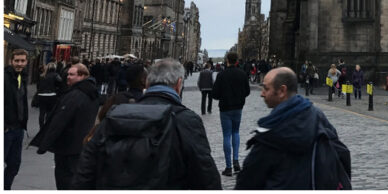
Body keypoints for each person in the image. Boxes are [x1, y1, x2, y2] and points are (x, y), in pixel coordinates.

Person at [72, 58, 221, 190]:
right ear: (179, 84)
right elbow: (206, 177)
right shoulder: (187, 120)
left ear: (148, 83)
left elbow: (85, 170)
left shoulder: (116, 114)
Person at [235, 67, 351, 190]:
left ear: (282, 91)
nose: (262, 93)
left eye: (266, 88)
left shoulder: (270, 136)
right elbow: (342, 154)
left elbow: (246, 183)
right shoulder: (318, 117)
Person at [30, 63, 99, 189]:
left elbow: (59, 121)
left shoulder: (75, 95)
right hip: (81, 143)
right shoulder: (92, 92)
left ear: (82, 76)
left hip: (67, 146)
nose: (67, 77)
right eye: (68, 74)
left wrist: (44, 145)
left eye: (72, 74)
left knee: (65, 179)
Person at [211, 51, 251, 176]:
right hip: (238, 107)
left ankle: (228, 167)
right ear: (237, 60)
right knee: (236, 132)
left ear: (227, 60)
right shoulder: (242, 74)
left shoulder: (222, 75)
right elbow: (247, 91)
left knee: (227, 135)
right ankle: (236, 162)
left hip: (225, 108)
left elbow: (215, 94)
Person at [4, 48, 29, 189]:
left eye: (22, 61)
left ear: (26, 62)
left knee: (14, 165)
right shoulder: (5, 77)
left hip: (18, 129)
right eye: (17, 61)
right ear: (11, 61)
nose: (19, 64)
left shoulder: (22, 77)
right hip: (7, 129)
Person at [36, 61, 64, 129]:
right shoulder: (55, 75)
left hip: (41, 95)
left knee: (41, 113)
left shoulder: (42, 75)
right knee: (49, 112)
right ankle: (46, 127)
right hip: (51, 95)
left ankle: (41, 127)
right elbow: (60, 82)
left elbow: (38, 86)